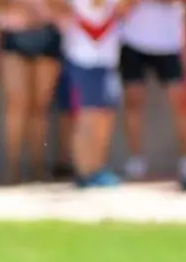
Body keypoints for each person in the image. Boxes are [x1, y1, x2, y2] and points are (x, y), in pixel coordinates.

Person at [55, 0, 133, 187]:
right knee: (87, 117)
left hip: (107, 61)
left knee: (104, 116)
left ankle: (97, 168)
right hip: (83, 61)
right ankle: (83, 171)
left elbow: (127, 8)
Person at [118, 0, 186, 187]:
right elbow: (119, 8)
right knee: (133, 101)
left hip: (170, 43)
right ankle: (136, 161)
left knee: (181, 104)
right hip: (132, 40)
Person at [0, 0, 63, 182]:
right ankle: (11, 167)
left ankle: (37, 166)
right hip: (15, 34)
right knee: (16, 103)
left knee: (40, 106)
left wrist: (40, 10)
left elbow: (63, 8)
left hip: (46, 35)